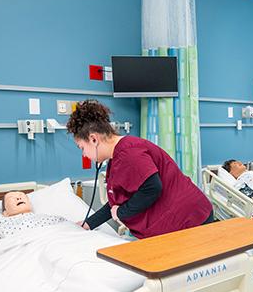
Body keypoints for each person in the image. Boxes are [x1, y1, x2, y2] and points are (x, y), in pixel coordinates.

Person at [68, 100, 213, 238]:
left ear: (94, 139)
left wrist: (121, 213)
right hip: (182, 221)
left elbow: (152, 188)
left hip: (190, 221)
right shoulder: (117, 157)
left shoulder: (128, 153)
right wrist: (89, 223)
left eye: (82, 148)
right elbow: (118, 202)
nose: (84, 155)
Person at [0, 192, 66, 257]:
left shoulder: (47, 218)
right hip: (18, 256)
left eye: (22, 196)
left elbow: (68, 230)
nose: (19, 198)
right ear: (5, 212)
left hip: (52, 250)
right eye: (12, 198)